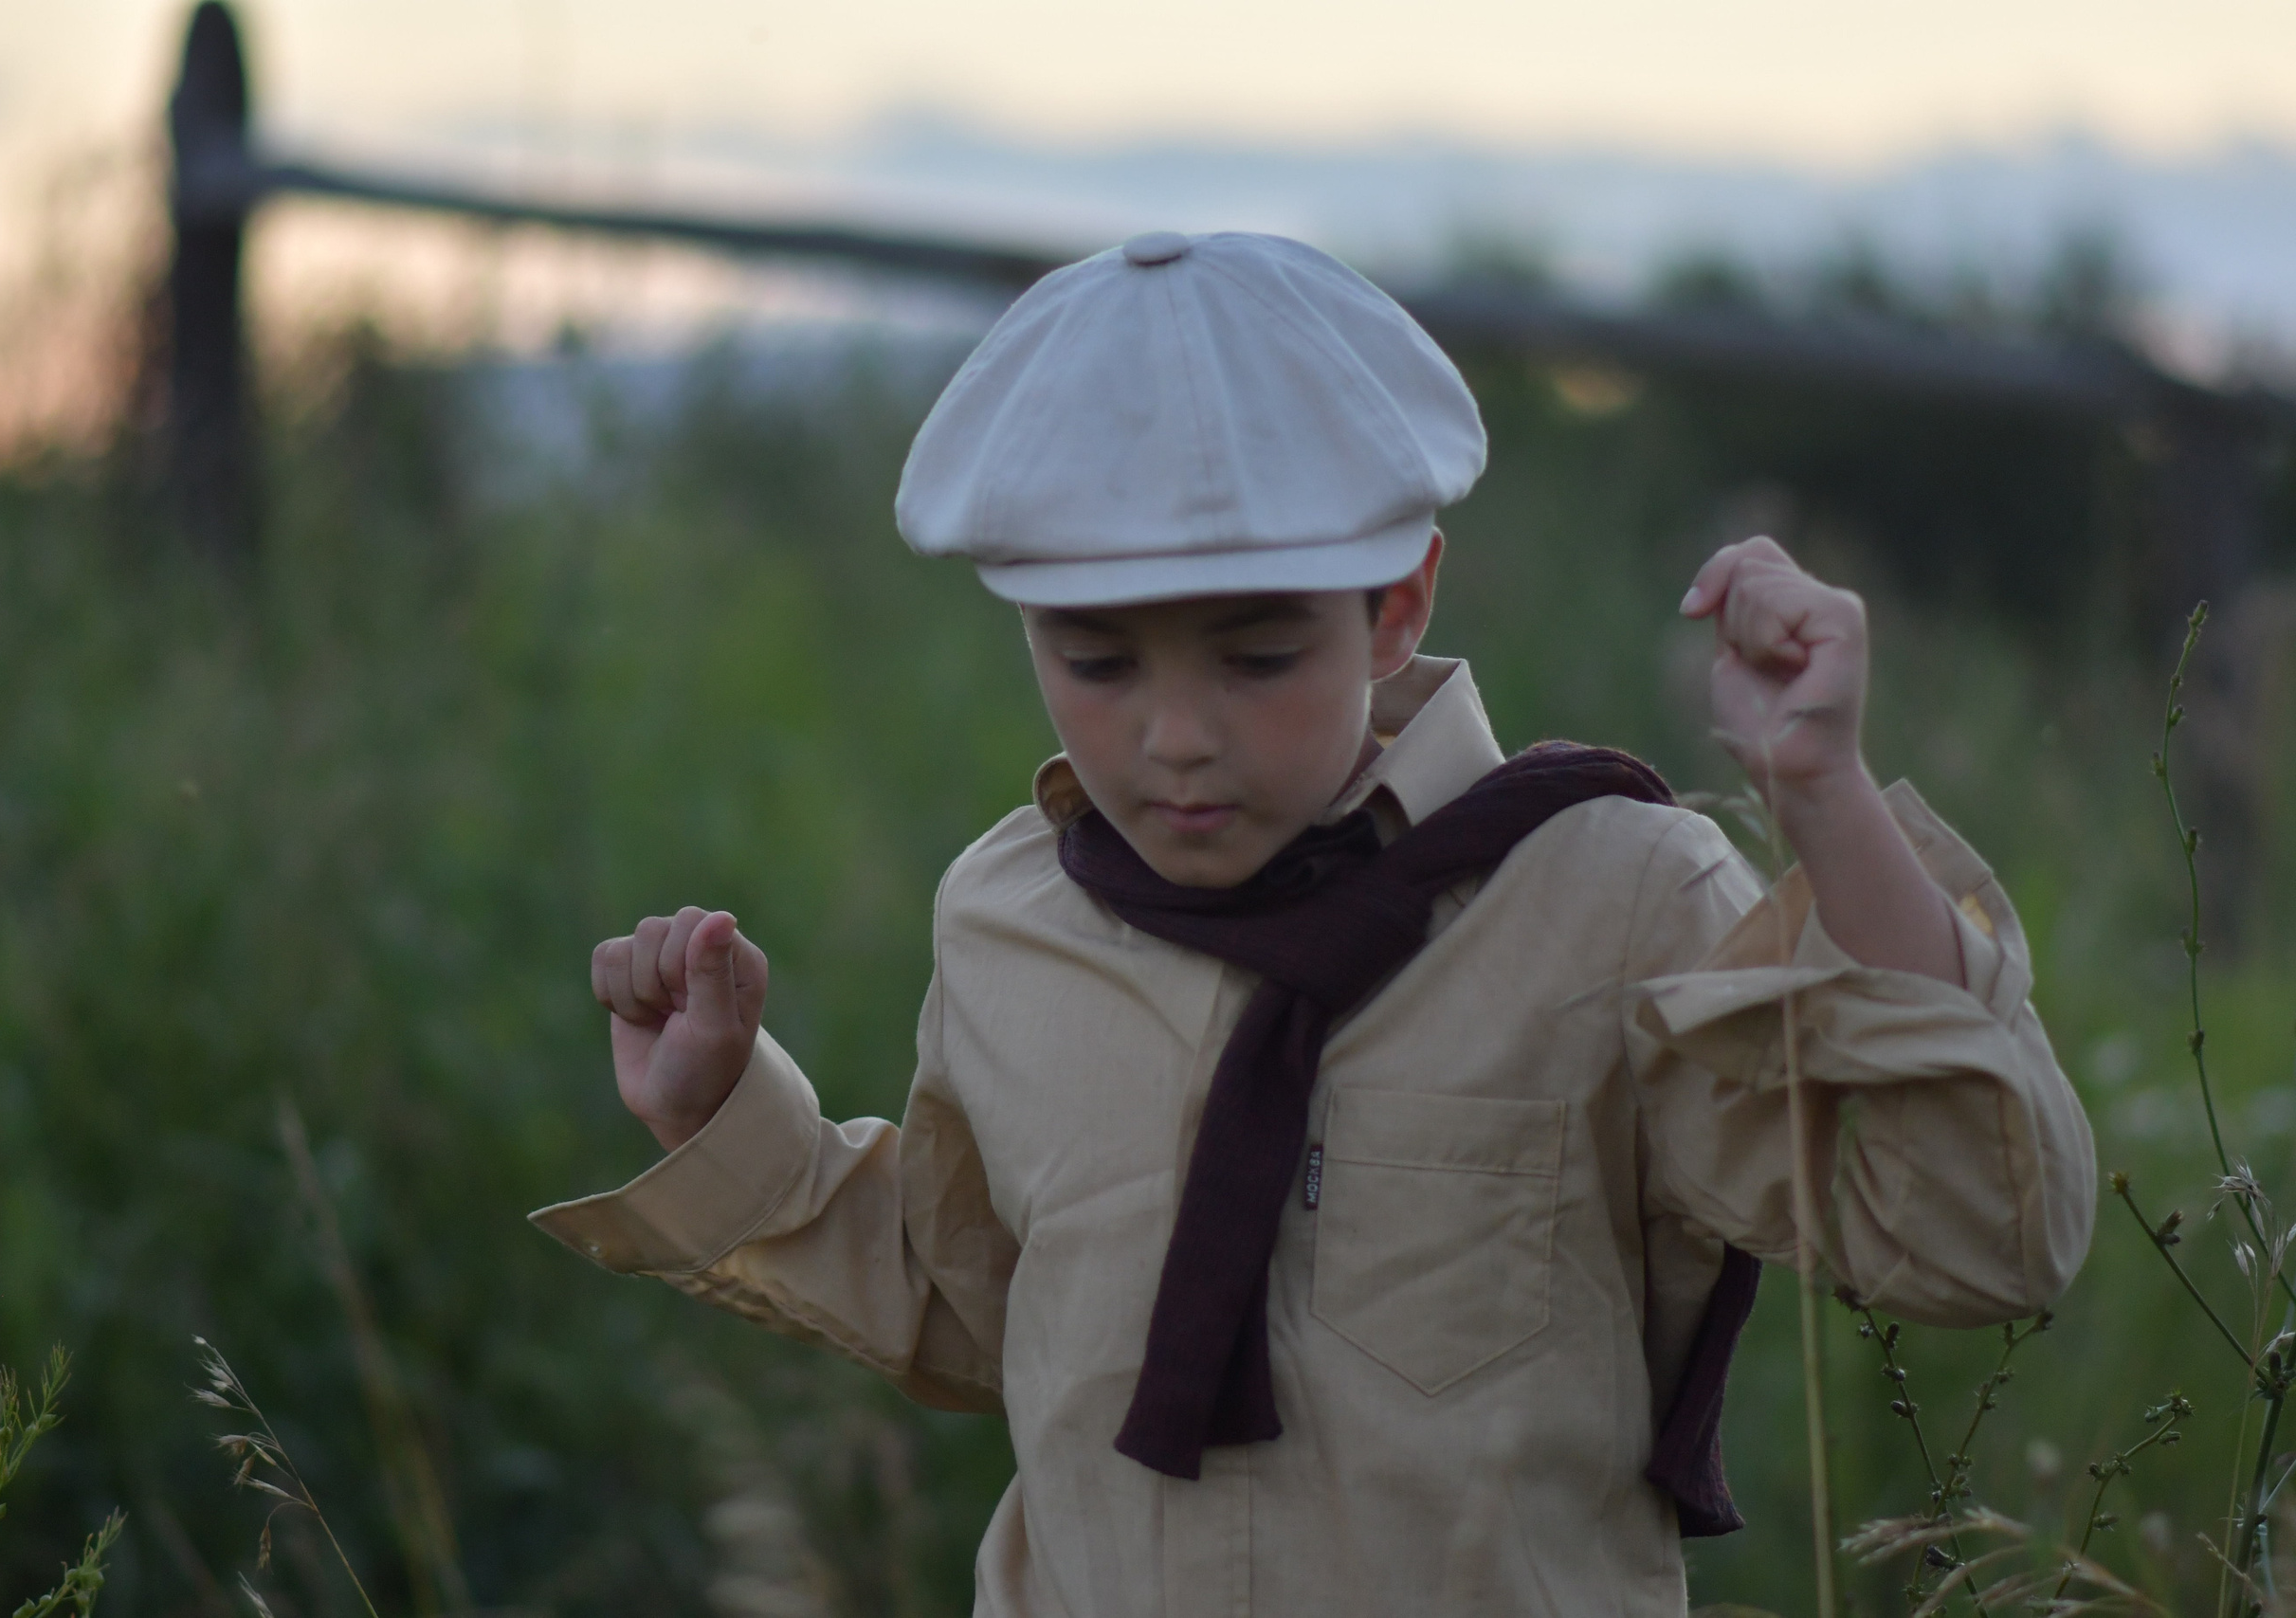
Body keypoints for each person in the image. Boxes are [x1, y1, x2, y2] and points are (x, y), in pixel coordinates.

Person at [532, 230, 2095, 1616]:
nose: (1177, 737)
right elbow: (995, 1314)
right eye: (1098, 661)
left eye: (1258, 655)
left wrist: (1825, 795)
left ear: (1399, 601)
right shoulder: (1012, 920)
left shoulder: (1610, 898)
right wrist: (734, 1124)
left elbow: (1981, 1232)